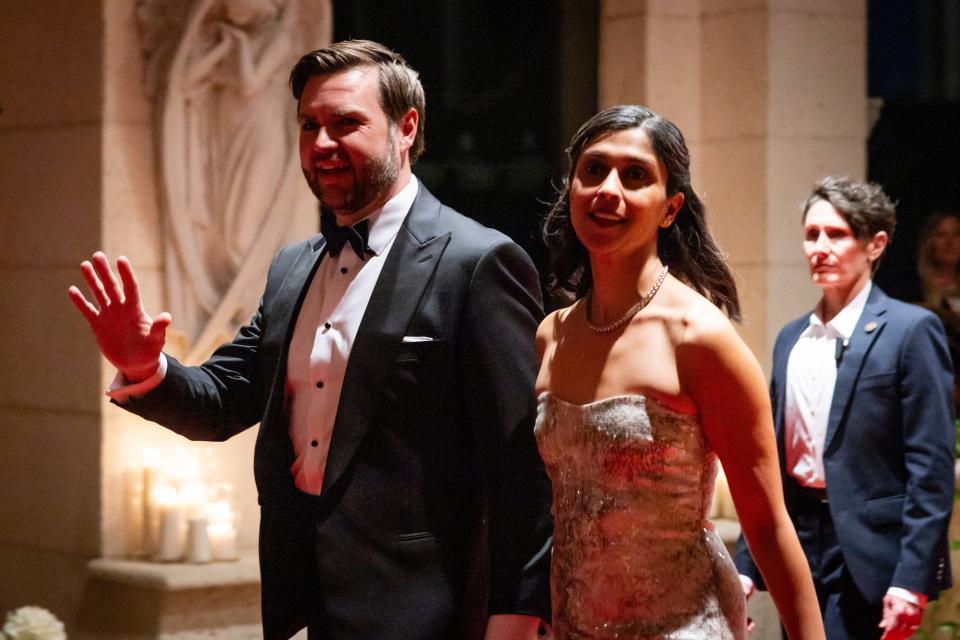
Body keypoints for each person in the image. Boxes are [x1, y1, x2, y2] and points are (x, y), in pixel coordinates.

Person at [68, 40, 552, 640]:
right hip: (303, 608)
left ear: (406, 128)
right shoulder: (292, 268)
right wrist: (147, 366)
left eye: (346, 123)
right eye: (309, 125)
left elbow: (523, 466)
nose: (321, 144)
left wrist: (519, 615)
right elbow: (223, 400)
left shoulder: (478, 262)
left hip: (427, 611)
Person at [536, 105, 824, 639]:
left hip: (685, 626)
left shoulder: (699, 338)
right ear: (571, 187)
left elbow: (765, 525)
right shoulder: (552, 334)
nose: (608, 189)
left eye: (635, 175)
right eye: (593, 170)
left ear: (670, 209)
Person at [734, 176, 955, 639]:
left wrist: (912, 580)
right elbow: (772, 461)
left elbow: (930, 466)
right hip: (800, 541)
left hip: (870, 548)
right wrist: (747, 566)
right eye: (812, 234)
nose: (820, 247)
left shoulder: (911, 330)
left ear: (875, 244)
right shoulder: (791, 338)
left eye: (836, 235)